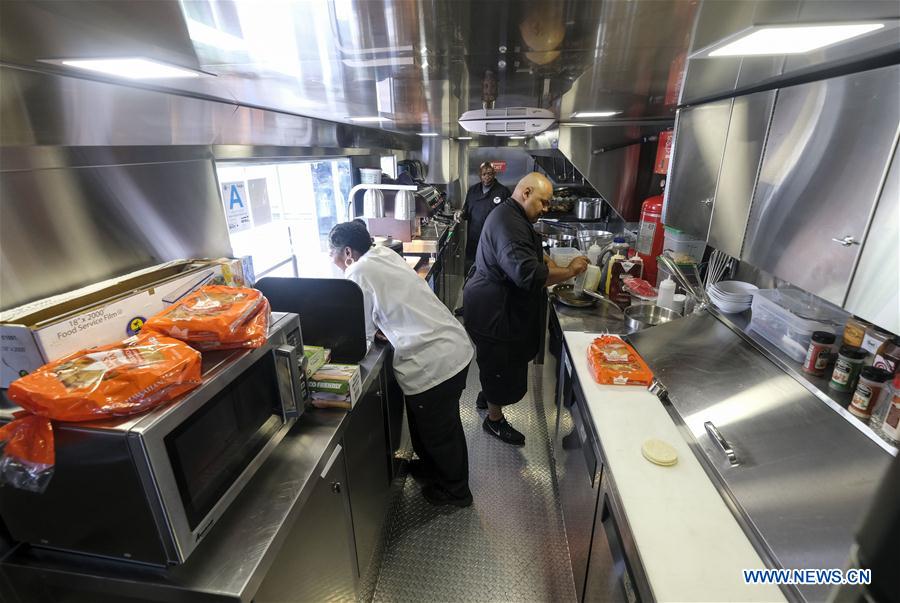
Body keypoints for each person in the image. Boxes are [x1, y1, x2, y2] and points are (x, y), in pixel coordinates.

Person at [329, 221, 475, 507]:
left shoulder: (357, 272)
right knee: (428, 427)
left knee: (440, 433)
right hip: (450, 346)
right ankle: (434, 470)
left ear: (347, 252)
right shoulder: (384, 254)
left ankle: (457, 492)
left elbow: (363, 335)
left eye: (331, 251)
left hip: (435, 362)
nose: (330, 258)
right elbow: (394, 300)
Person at [463, 173, 588, 445]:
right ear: (526, 193)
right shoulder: (508, 223)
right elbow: (527, 274)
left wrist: (549, 262)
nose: (545, 209)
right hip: (494, 310)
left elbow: (529, 252)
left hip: (492, 303)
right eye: (543, 202)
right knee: (500, 362)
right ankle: (493, 420)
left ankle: (488, 394)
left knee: (494, 361)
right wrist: (570, 271)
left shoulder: (513, 214)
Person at [458, 162, 511, 275]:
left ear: (494, 174)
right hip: (474, 239)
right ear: (479, 175)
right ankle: (468, 289)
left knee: (490, 271)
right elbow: (466, 211)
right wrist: (460, 213)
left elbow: (509, 217)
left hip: (493, 240)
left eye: (490, 174)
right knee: (470, 269)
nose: (487, 177)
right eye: (484, 174)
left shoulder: (503, 192)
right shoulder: (473, 191)